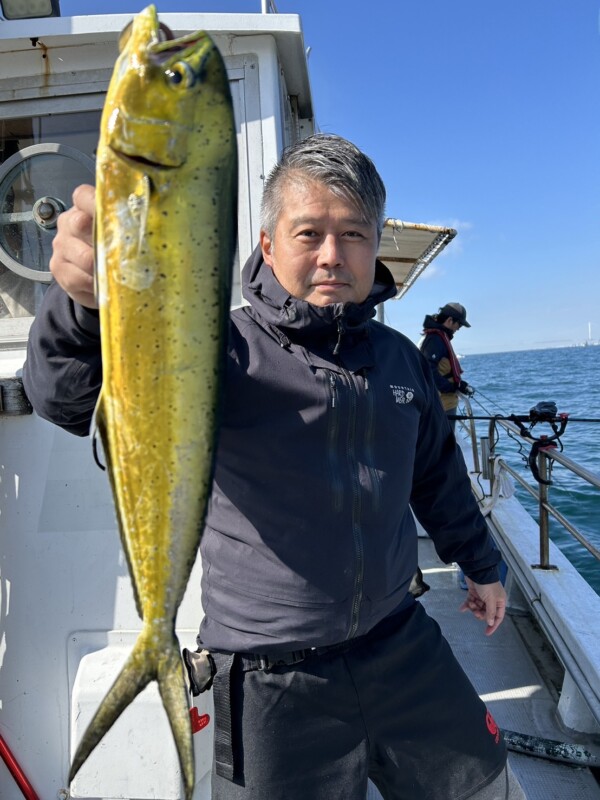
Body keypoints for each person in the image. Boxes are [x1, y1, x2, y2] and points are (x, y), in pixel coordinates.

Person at [22, 134, 525, 800]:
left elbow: (436, 476)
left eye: (352, 234)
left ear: (375, 244)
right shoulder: (217, 348)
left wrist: (482, 565)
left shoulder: (402, 359)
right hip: (268, 680)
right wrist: (82, 307)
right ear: (267, 244)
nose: (330, 255)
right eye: (308, 231)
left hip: (402, 642)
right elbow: (64, 395)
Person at [419, 302, 475, 429]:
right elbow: (428, 369)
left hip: (445, 403)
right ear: (450, 320)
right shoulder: (435, 340)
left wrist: (459, 385)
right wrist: (451, 387)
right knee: (444, 443)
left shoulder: (439, 337)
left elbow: (443, 369)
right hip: (442, 404)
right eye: (459, 324)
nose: (459, 328)